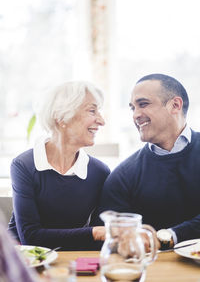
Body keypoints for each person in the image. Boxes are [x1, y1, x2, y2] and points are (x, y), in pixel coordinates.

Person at [97, 73, 200, 250]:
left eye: (143, 104)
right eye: (132, 108)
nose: (136, 115)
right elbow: (117, 239)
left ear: (175, 105)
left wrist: (169, 237)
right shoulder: (123, 176)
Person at [8, 81, 110, 250]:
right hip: (25, 261)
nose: (101, 121)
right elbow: (30, 237)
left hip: (71, 260)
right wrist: (94, 233)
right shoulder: (24, 165)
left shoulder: (99, 172)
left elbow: (98, 241)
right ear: (62, 117)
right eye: (92, 110)